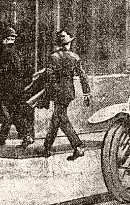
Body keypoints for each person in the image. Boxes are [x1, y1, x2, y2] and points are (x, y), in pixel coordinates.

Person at [43, 29, 91, 161]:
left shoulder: (53, 57)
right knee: (59, 119)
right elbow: (83, 77)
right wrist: (87, 93)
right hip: (68, 91)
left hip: (57, 91)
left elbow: (49, 76)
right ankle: (52, 147)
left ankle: (75, 146)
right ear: (70, 43)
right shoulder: (75, 57)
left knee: (59, 120)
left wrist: (50, 91)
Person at [0, 26, 34, 148]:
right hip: (17, 87)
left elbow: (5, 70)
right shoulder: (18, 52)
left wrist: (0, 74)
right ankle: (4, 137)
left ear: (5, 39)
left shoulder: (6, 51)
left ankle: (24, 136)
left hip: (8, 88)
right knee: (14, 113)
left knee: (8, 113)